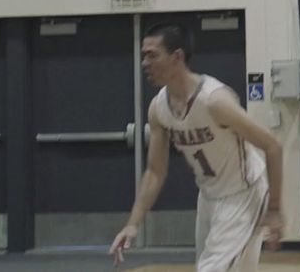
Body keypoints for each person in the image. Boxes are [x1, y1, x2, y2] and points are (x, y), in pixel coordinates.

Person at [110, 24, 285, 271]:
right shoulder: (158, 108)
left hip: (244, 194)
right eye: (143, 56)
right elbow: (154, 172)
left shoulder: (214, 101)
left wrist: (275, 210)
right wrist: (132, 223)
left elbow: (272, 145)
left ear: (177, 57)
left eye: (152, 55)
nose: (144, 63)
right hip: (209, 197)